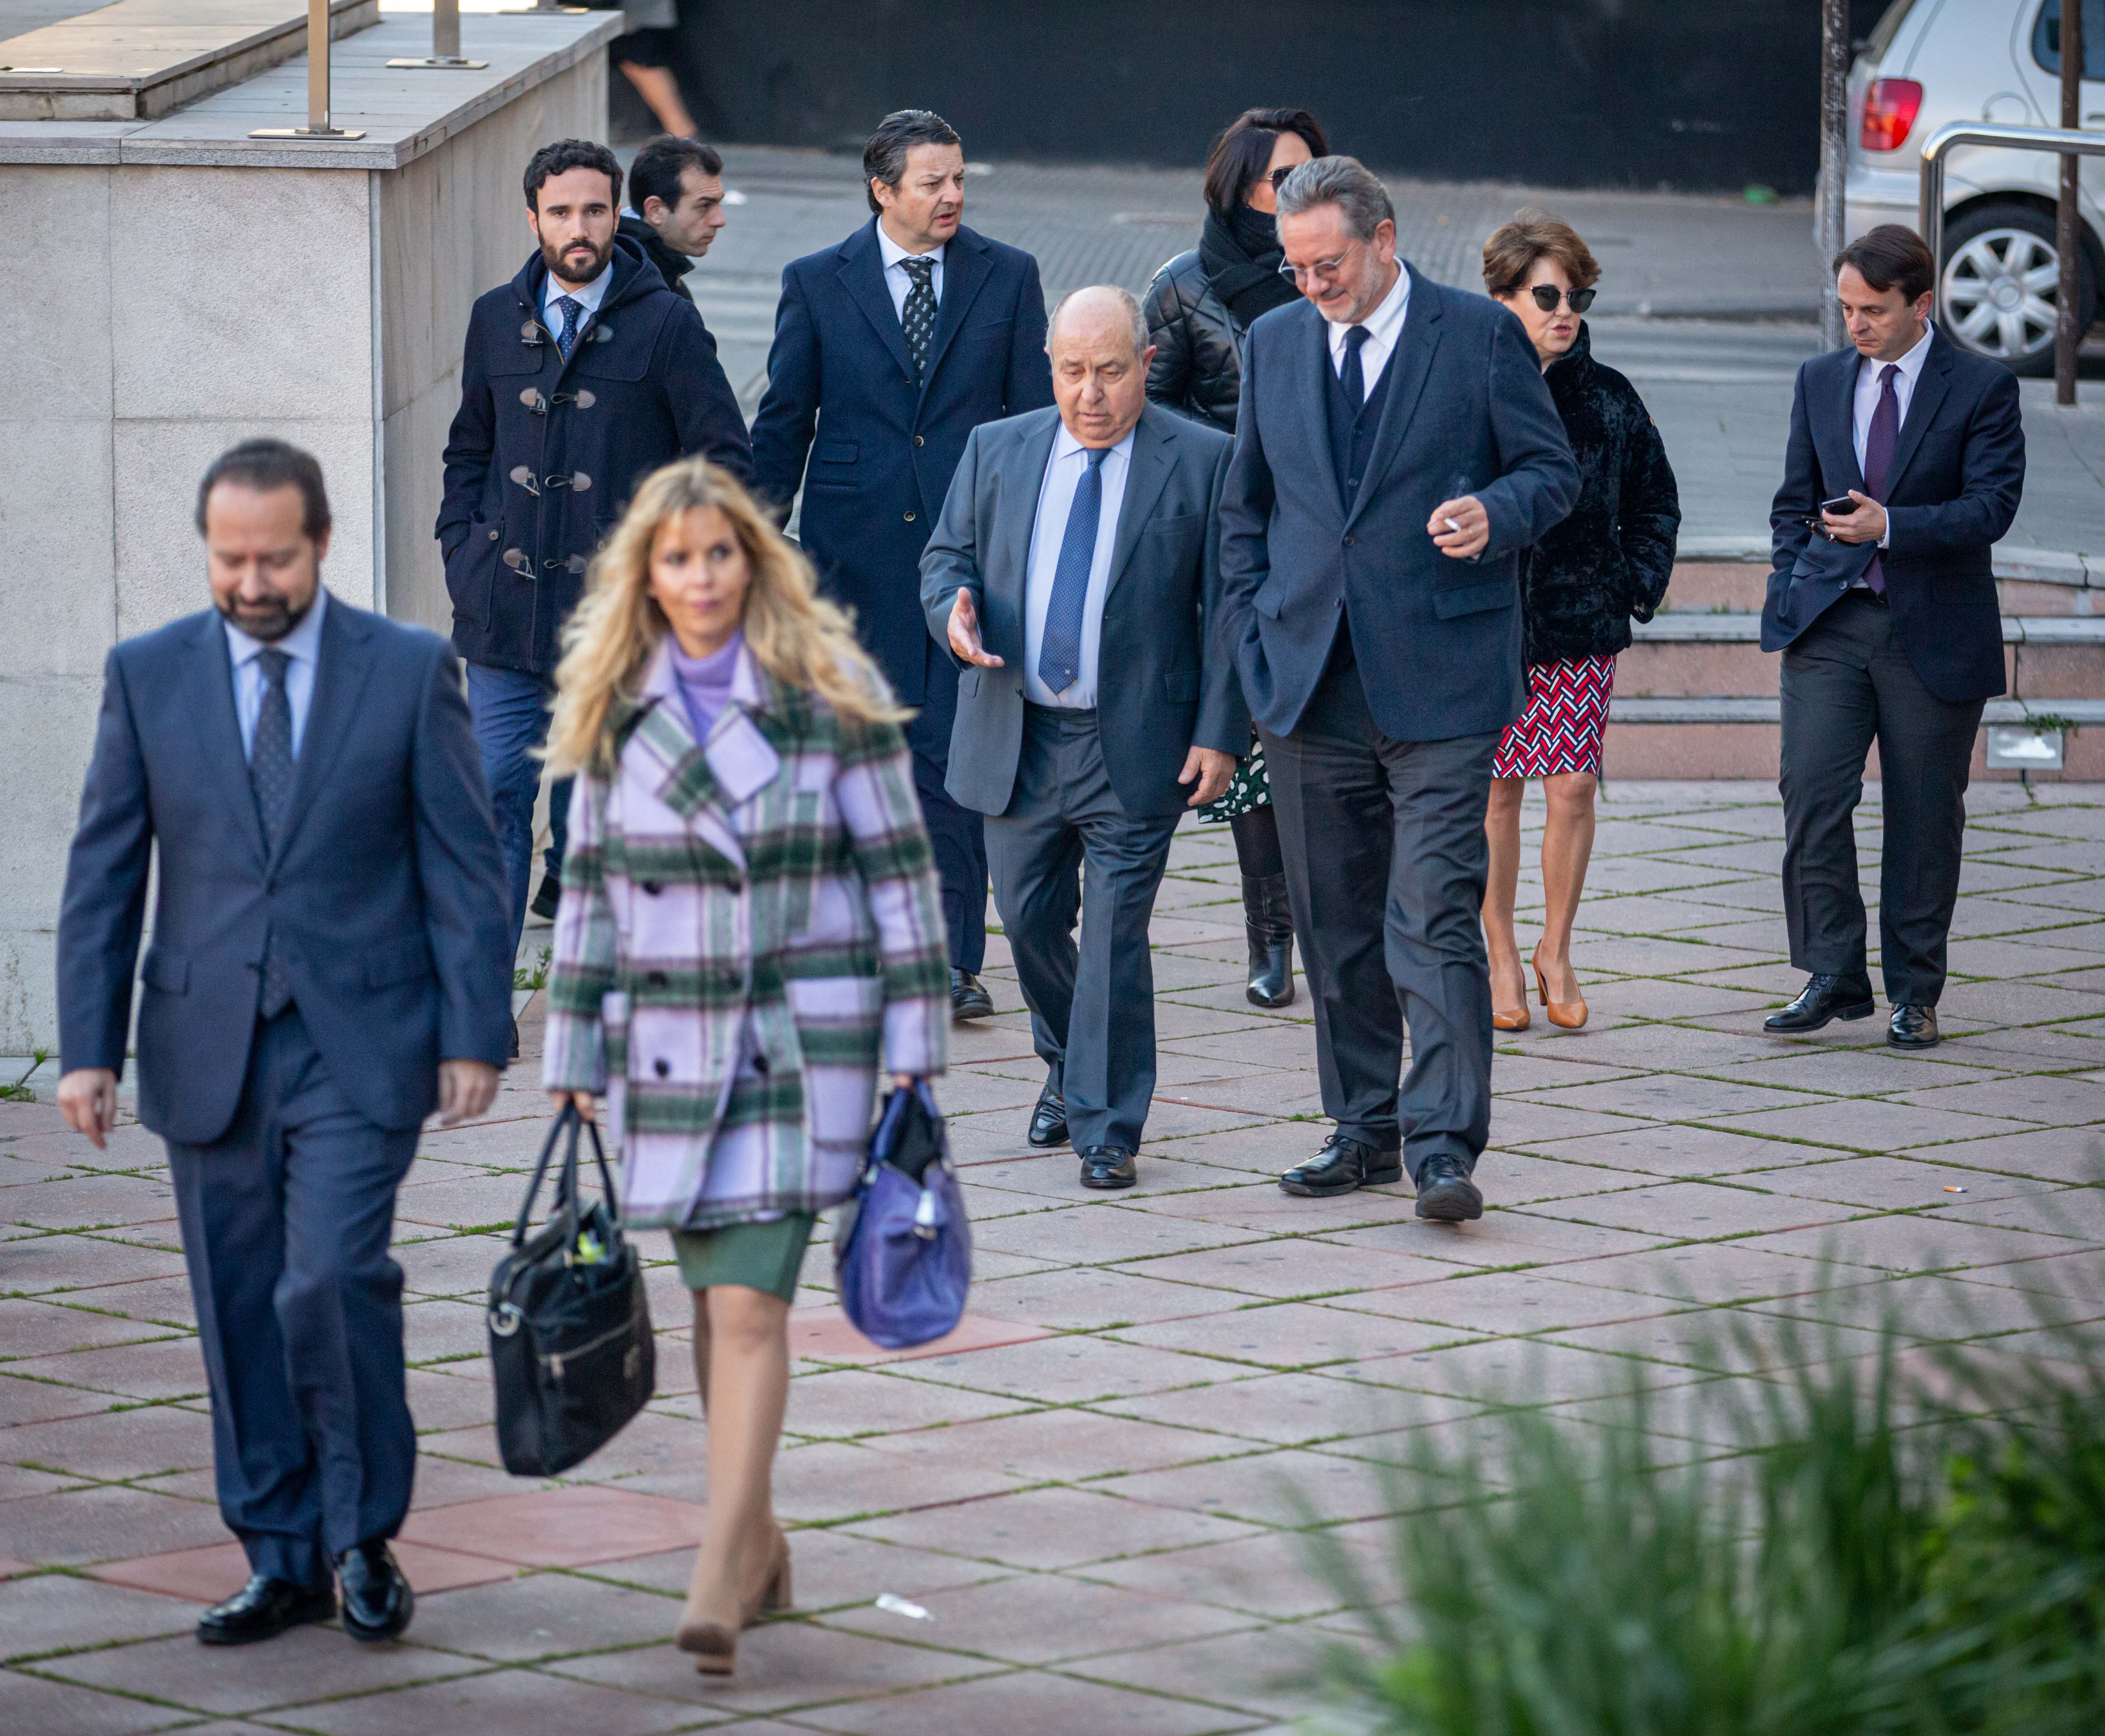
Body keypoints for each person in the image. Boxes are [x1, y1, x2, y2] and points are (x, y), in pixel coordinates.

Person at [54, 441, 513, 1647]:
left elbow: (466, 865)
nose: (251, 582)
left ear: (321, 542)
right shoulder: (148, 675)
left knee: (327, 1279)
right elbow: (106, 870)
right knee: (240, 1304)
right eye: (229, 559)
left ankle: (362, 1536)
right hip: (207, 1043)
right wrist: (88, 1049)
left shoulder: (409, 671)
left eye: (274, 557)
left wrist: (476, 1030)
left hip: (361, 1040)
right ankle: (278, 1552)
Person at [541, 458, 948, 1676]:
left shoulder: (826, 688)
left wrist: (912, 1057)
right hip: (667, 1050)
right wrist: (570, 1051)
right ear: (648, 577)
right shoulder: (618, 707)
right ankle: (762, 1538)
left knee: (756, 1306)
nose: (702, 577)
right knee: (715, 1310)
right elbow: (589, 903)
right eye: (677, 559)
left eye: (720, 553)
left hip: (795, 1045)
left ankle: (719, 1562)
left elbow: (901, 880)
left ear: (752, 560)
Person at [1216, 157, 1579, 1219]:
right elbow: (1246, 509)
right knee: (1333, 927)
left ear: (1382, 241)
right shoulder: (1273, 341)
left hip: (1441, 677)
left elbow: (1549, 473)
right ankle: (1362, 1128)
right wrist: (1250, 638)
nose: (1312, 285)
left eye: (1328, 263)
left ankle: (1441, 1148)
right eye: (1295, 268)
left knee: (1429, 916)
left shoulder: (1476, 335)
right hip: (1305, 682)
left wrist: (1494, 515)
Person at [921, 288, 1239, 1189]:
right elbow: (946, 557)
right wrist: (953, 611)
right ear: (1050, 368)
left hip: (1133, 737)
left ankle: (1108, 1124)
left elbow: (1227, 610)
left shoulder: (1203, 460)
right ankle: (1067, 1063)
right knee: (1026, 922)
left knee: (1112, 936)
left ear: (1145, 365)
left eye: (1109, 372)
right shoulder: (999, 450)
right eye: (1071, 372)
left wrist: (1220, 732)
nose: (1089, 394)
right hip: (1015, 727)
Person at [438, 138, 749, 1034]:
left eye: (595, 211)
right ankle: (482, 1011)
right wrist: (463, 549)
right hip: (502, 620)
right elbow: (470, 450)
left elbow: (723, 457)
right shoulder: (496, 319)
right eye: (562, 212)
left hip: (622, 632)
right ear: (533, 218)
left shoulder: (664, 324)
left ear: (619, 217)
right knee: (496, 797)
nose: (580, 229)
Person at [750, 108, 1055, 1024]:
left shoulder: (1008, 276)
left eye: (960, 178)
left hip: (970, 559)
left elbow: (1032, 421)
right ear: (884, 190)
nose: (954, 195)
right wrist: (758, 553)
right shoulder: (817, 282)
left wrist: (1031, 543)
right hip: (854, 558)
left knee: (954, 763)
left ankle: (955, 961)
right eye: (934, 182)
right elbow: (784, 421)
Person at [1762, 224, 2023, 1051]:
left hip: (1931, 631)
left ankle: (1915, 992)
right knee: (1809, 793)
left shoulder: (1981, 386)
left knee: (1921, 815)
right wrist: (1790, 584)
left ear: (1922, 305)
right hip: (1830, 622)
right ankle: (1832, 974)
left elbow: (1992, 508)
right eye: (1844, 308)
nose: (1855, 325)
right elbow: (1791, 502)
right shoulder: (1820, 379)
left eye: (1871, 310)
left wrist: (1890, 526)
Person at [1143, 106, 1329, 1009]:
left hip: (1332, 544)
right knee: (1251, 750)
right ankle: (1271, 937)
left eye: (1310, 174)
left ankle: (1341, 918)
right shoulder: (1184, 288)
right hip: (1237, 546)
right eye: (1279, 181)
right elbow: (1151, 417)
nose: (1296, 195)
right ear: (1237, 188)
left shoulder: (1342, 280)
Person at [1479, 211, 1681, 1032]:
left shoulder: (1608, 398)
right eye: (1548, 293)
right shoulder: (1469, 385)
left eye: (1579, 294)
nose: (1566, 309)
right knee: (1493, 798)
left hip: (1578, 625)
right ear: (1503, 296)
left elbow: (1655, 502)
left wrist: (1628, 584)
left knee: (1571, 788)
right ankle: (1497, 951)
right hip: (1487, 626)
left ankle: (1553, 948)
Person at [621, 133, 729, 311]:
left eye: (718, 203)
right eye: (705, 205)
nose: (720, 221)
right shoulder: (636, 286)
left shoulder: (654, 274)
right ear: (656, 210)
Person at [589, 1, 702, 141]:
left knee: (640, 61)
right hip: (621, 15)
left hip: (636, 15)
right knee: (637, 60)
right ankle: (682, 134)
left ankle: (682, 135)